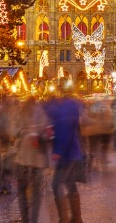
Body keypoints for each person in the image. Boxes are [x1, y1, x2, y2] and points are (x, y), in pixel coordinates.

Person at [46, 84, 84, 223]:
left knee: (56, 184)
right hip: (72, 151)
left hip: (67, 153)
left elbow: (64, 131)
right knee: (70, 182)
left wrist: (58, 151)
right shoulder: (68, 106)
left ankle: (64, 219)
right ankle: (76, 218)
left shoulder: (65, 108)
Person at [13, 98, 50, 223]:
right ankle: (33, 220)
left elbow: (12, 132)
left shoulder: (20, 113)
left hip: (21, 160)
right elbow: (48, 134)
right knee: (36, 194)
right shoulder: (42, 114)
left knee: (22, 191)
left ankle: (25, 219)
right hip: (37, 160)